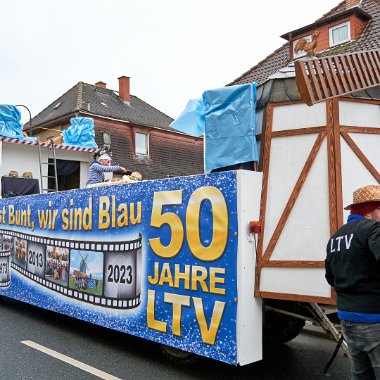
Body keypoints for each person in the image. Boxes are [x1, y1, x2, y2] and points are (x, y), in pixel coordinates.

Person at [325, 184, 380, 380]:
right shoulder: (374, 229)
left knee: (360, 374)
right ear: (372, 209)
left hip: (347, 318)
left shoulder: (336, 237)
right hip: (374, 319)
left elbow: (330, 277)